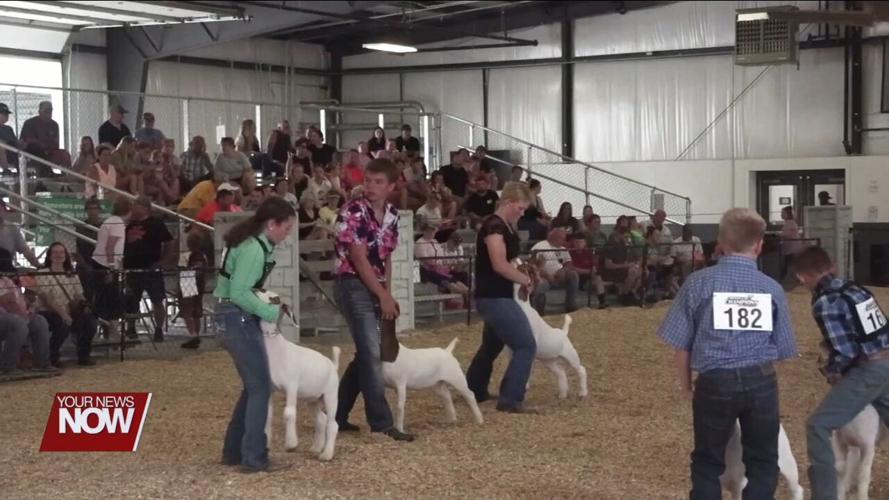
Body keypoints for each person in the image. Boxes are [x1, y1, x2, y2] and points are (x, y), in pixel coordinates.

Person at [657, 207, 798, 500]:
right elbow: (784, 349)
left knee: (708, 460)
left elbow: (681, 343)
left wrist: (686, 386)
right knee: (763, 460)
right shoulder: (771, 288)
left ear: (720, 243)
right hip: (761, 380)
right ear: (759, 245)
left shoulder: (698, 283)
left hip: (714, 381)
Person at [793, 246, 889, 499]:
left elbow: (845, 352)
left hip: (868, 369)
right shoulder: (855, 288)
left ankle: (826, 495)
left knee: (818, 425)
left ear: (802, 278)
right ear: (831, 266)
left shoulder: (825, 302)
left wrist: (830, 370)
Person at [333, 158, 414, 441]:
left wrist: (386, 294)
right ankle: (381, 423)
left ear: (392, 186)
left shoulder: (392, 215)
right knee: (371, 353)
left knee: (367, 354)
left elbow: (386, 257)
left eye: (379, 182)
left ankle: (336, 415)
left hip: (374, 284)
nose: (371, 186)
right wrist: (383, 295)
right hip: (351, 282)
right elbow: (358, 258)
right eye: (368, 180)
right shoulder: (352, 211)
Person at [213, 196, 296, 473]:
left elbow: (239, 288)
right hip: (236, 317)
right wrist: (270, 311)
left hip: (228, 317)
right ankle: (254, 457)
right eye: (286, 228)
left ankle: (234, 452)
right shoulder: (254, 249)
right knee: (261, 386)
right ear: (271, 224)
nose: (287, 235)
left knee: (253, 386)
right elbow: (239, 292)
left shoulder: (249, 242)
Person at [465, 182, 537, 413]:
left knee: (491, 346)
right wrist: (524, 279)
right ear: (507, 202)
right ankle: (510, 398)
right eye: (520, 207)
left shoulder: (504, 225)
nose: (522, 212)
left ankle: (474, 388)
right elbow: (499, 264)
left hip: (496, 293)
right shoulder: (494, 226)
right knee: (526, 345)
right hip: (494, 295)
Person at [32, 242, 98, 367]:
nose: (59, 255)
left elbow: (78, 294)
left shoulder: (71, 274)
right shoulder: (42, 273)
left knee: (90, 322)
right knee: (62, 324)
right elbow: (47, 299)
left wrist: (85, 306)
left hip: (68, 309)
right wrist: (63, 314)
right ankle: (52, 356)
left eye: (61, 252)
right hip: (48, 311)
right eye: (55, 252)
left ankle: (84, 355)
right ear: (50, 255)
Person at [123, 196, 175, 342]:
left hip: (151, 267)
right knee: (132, 299)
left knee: (157, 299)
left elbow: (169, 242)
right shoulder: (129, 224)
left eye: (136, 205)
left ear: (145, 208)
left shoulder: (156, 224)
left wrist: (162, 261)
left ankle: (159, 329)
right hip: (132, 268)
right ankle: (131, 327)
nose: (133, 208)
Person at [0, 248, 57, 373]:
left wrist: (27, 306)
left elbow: (17, 301)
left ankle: (42, 363)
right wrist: (23, 315)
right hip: (6, 317)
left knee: (39, 321)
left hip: (12, 315)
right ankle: (8, 366)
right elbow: (8, 302)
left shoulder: (7, 280)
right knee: (18, 323)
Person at [91, 197, 131, 339]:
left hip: (102, 263)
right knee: (112, 300)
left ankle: (111, 330)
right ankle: (113, 332)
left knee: (109, 299)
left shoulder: (111, 220)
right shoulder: (117, 223)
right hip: (105, 264)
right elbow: (110, 247)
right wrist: (112, 268)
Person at [530, 228, 580, 314]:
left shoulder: (562, 248)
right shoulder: (540, 246)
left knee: (573, 274)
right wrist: (546, 275)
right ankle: (540, 312)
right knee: (540, 285)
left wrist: (563, 270)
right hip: (544, 277)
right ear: (554, 237)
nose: (564, 241)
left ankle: (570, 306)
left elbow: (569, 263)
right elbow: (533, 265)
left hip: (559, 276)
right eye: (562, 238)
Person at [415, 222, 469, 296]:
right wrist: (438, 265)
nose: (432, 233)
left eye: (433, 231)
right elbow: (425, 259)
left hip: (441, 269)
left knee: (459, 283)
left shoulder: (435, 241)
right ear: (425, 231)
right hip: (428, 270)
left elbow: (441, 256)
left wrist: (445, 265)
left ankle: (467, 292)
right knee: (452, 285)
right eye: (430, 231)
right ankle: (461, 294)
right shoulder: (420, 243)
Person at [179, 231, 209, 350]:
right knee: (196, 310)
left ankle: (192, 334)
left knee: (186, 310)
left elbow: (181, 270)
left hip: (187, 282)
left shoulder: (185, 256)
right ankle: (197, 333)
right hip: (200, 283)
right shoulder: (203, 256)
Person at [20, 101, 71, 168]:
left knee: (65, 154)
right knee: (37, 149)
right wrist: (42, 144)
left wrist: (46, 146)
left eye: (50, 110)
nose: (49, 113)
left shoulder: (54, 125)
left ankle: (66, 176)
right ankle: (46, 172)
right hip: (33, 153)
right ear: (39, 111)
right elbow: (28, 141)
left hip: (49, 151)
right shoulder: (30, 123)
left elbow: (56, 143)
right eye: (46, 110)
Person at [74, 197, 103, 305]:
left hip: (101, 266)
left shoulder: (105, 227)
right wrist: (85, 265)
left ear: (99, 210)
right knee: (86, 297)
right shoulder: (80, 227)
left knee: (102, 297)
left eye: (95, 208)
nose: (92, 211)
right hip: (84, 266)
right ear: (86, 210)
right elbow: (75, 248)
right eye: (89, 208)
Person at [568, 232, 607, 309]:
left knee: (597, 277)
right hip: (575, 278)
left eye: (581, 242)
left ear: (585, 243)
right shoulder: (569, 252)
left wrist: (592, 270)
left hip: (588, 277)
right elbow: (571, 268)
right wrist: (588, 271)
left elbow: (594, 266)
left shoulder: (589, 252)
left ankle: (602, 302)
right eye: (577, 242)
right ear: (573, 242)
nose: (579, 244)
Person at [0, 199, 41, 268]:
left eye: (0, 210)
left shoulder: (11, 228)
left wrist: (38, 266)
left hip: (5, 267)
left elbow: (25, 249)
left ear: (3, 210)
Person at [779, 206, 803, 282]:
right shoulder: (790, 223)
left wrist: (779, 235)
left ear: (787, 214)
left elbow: (786, 235)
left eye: (782, 213)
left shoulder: (790, 223)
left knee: (789, 265)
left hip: (792, 249)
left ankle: (786, 280)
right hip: (791, 248)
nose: (781, 215)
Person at [0, 103, 19, 173]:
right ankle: (5, 170)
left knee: (14, 146)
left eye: (7, 114)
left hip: (10, 152)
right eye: (3, 114)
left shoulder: (8, 128)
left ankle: (21, 170)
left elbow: (14, 141)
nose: (6, 116)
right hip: (2, 151)